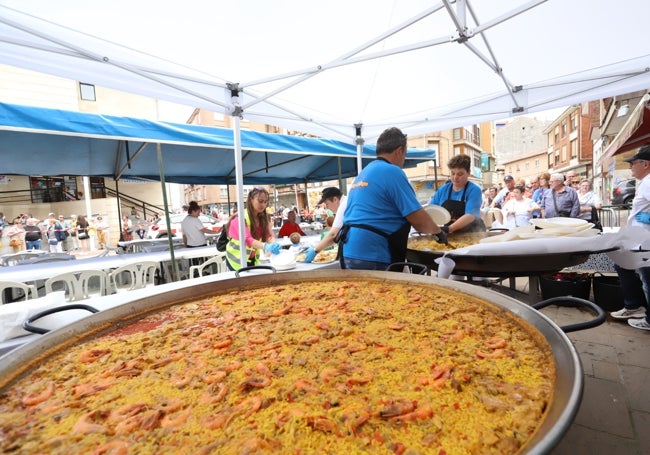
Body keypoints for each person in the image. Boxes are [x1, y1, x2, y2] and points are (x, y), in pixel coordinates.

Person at [338, 127, 445, 270]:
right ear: (399, 151)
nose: (404, 159)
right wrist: (439, 233)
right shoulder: (392, 171)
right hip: (374, 251)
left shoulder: (364, 172)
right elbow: (418, 218)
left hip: (349, 250)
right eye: (405, 154)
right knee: (382, 292)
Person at [609, 147, 650, 331]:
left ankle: (645, 316)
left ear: (645, 164)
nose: (631, 167)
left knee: (647, 278)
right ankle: (634, 305)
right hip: (639, 238)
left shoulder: (649, 181)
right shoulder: (645, 181)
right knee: (622, 264)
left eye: (633, 163)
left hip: (645, 240)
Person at [225, 187, 281, 271]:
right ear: (251, 200)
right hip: (236, 260)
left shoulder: (263, 217)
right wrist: (265, 246)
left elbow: (268, 234)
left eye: (265, 202)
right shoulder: (239, 217)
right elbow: (247, 239)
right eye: (260, 201)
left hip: (252, 259)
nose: (263, 205)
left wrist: (273, 243)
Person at [429, 154, 485, 233]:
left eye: (460, 174)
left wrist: (449, 229)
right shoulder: (442, 190)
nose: (455, 177)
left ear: (468, 173)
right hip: (449, 234)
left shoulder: (474, 190)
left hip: (473, 233)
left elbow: (470, 215)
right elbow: (431, 210)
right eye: (452, 173)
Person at [303, 187, 347, 262]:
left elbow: (333, 234)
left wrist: (315, 249)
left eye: (327, 204)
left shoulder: (343, 205)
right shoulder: (347, 201)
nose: (327, 207)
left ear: (335, 199)